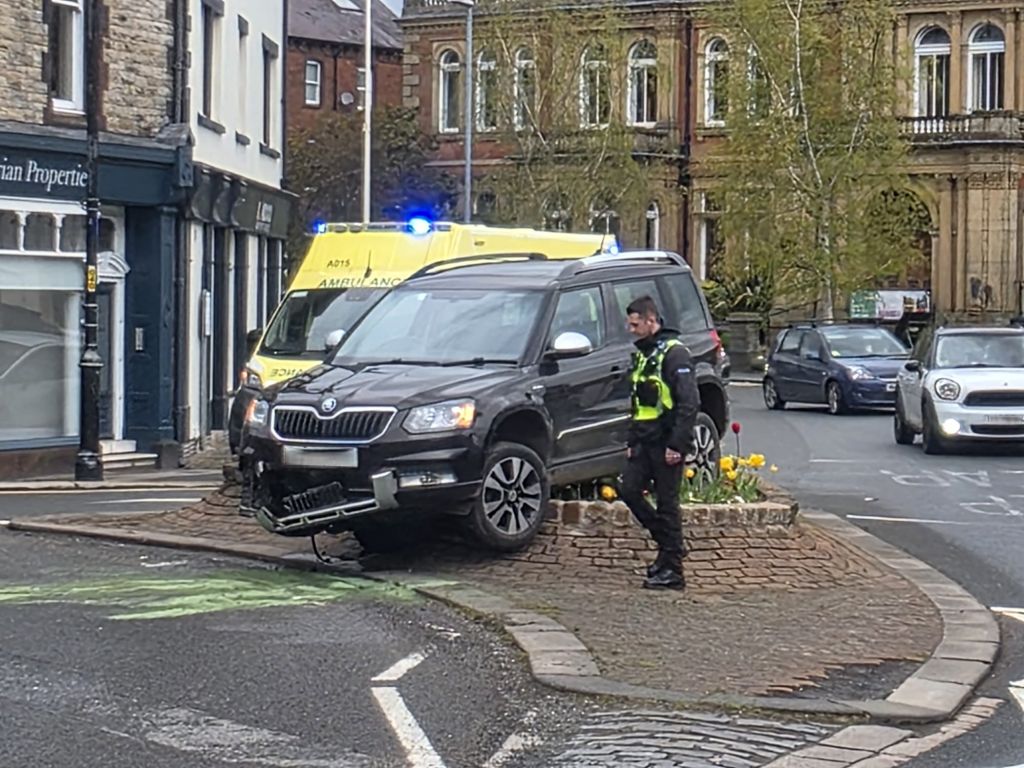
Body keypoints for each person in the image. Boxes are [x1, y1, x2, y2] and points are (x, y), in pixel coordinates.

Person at [620, 295, 700, 590]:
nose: (631, 330)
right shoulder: (644, 353)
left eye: (635, 324)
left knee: (668, 504)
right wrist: (631, 440)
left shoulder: (675, 355)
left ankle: (673, 570)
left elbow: (689, 404)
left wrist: (677, 446)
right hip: (643, 441)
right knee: (628, 489)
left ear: (651, 321)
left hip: (666, 442)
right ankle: (670, 546)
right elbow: (638, 402)